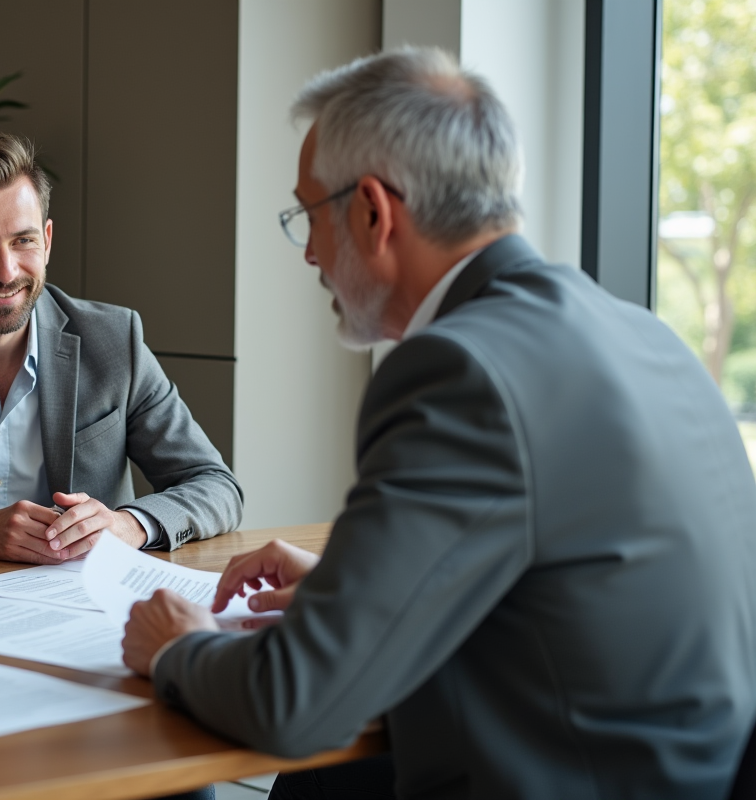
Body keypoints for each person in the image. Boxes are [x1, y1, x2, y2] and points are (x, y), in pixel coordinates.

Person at [119, 48, 756, 800]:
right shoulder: (642, 334)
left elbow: (293, 705)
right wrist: (352, 591)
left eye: (307, 216)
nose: (310, 255)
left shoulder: (460, 373)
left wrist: (178, 647)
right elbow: (584, 592)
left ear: (372, 212)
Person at [0, 133, 242, 563]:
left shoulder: (115, 340)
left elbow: (214, 484)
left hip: (75, 608)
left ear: (47, 239)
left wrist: (128, 524)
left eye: (23, 241)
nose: (5, 271)